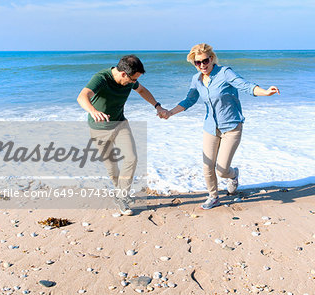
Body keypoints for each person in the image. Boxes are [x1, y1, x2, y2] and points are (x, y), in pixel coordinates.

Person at [164, 44, 280, 210]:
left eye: (205, 60)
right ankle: (213, 196)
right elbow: (189, 100)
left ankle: (234, 176)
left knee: (222, 170)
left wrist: (266, 92)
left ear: (211, 58)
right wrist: (170, 113)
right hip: (210, 127)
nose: (202, 65)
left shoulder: (225, 73)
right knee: (207, 165)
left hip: (231, 127)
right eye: (198, 62)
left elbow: (245, 85)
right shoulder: (196, 79)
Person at [77, 54, 168, 215]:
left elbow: (142, 90)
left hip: (120, 123)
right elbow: (82, 96)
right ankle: (119, 191)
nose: (134, 82)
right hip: (99, 128)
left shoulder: (131, 81)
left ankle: (122, 196)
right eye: (133, 79)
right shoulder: (101, 78)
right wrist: (93, 111)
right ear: (123, 74)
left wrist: (157, 106)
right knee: (112, 167)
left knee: (131, 158)